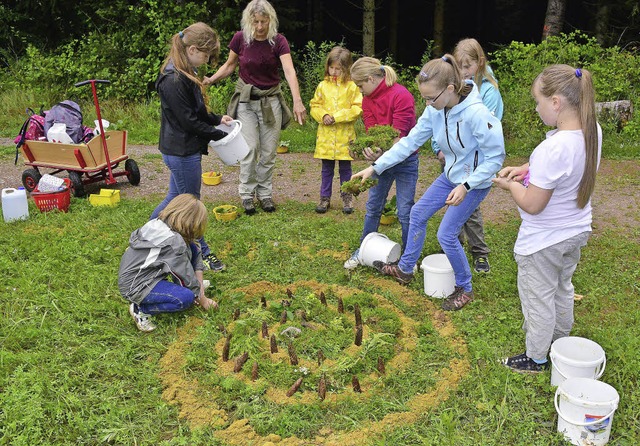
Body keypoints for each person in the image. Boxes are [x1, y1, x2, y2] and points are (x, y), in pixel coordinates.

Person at [352, 55, 505, 311]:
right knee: (417, 213)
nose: (427, 104)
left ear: (449, 89)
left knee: (446, 234)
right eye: (424, 98)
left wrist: (466, 186)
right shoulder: (435, 110)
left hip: (475, 182)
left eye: (430, 98)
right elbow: (409, 143)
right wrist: (374, 167)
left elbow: (495, 158)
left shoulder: (477, 114)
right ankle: (405, 270)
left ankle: (465, 288)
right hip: (450, 175)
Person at [493, 65, 601, 373]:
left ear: (555, 102)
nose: (536, 108)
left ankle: (536, 357)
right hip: (576, 231)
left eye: (537, 102)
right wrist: (527, 168)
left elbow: (532, 204)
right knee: (562, 287)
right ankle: (559, 341)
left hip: (543, 242)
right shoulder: (591, 132)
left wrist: (511, 184)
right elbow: (560, 166)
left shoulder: (551, 148)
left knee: (538, 298)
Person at [205, 0, 306, 215]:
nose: (260, 27)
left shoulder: (278, 41)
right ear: (249, 21)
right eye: (256, 21)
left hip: (271, 102)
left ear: (271, 19)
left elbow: (289, 71)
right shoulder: (240, 38)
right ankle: (246, 194)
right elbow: (230, 65)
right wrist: (211, 80)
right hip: (246, 101)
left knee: (269, 152)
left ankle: (265, 193)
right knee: (250, 149)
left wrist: (297, 100)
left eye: (264, 21)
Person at [151, 22, 233, 272]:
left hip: (183, 150)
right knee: (191, 207)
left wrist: (218, 119)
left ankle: (148, 233)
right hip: (181, 152)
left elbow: (196, 112)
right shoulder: (173, 79)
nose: (207, 61)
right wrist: (217, 134)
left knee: (174, 198)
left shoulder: (185, 71)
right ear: (194, 49)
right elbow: (188, 121)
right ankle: (203, 254)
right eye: (206, 56)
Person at [343, 57, 417, 269]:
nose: (359, 90)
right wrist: (370, 151)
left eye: (360, 85)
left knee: (404, 210)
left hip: (406, 161)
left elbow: (400, 137)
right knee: (373, 206)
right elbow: (372, 131)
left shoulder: (401, 95)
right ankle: (363, 249)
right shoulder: (367, 100)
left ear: (370, 79)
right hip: (381, 162)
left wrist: (380, 153)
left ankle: (409, 257)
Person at [119, 194, 217, 332]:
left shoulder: (161, 224)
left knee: (193, 248)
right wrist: (202, 299)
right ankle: (141, 309)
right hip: (136, 286)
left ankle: (193, 290)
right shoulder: (173, 243)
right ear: (191, 223)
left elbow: (196, 254)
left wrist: (199, 288)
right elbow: (184, 278)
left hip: (145, 275)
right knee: (185, 298)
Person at [448, 38, 504, 273]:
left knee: (470, 208)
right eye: (459, 66)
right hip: (455, 158)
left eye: (467, 66)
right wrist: (440, 148)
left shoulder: (489, 92)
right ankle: (454, 243)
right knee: (454, 202)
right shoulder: (455, 86)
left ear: (479, 63)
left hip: (477, 162)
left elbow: (486, 130)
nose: (463, 72)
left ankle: (480, 253)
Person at [310, 46, 363, 214]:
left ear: (346, 69)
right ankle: (324, 198)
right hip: (326, 138)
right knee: (326, 169)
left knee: (346, 169)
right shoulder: (322, 85)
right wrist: (323, 115)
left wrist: (337, 117)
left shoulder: (353, 87)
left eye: (338, 69)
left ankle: (347, 198)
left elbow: (357, 108)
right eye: (331, 67)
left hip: (345, 137)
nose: (334, 71)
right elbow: (314, 105)